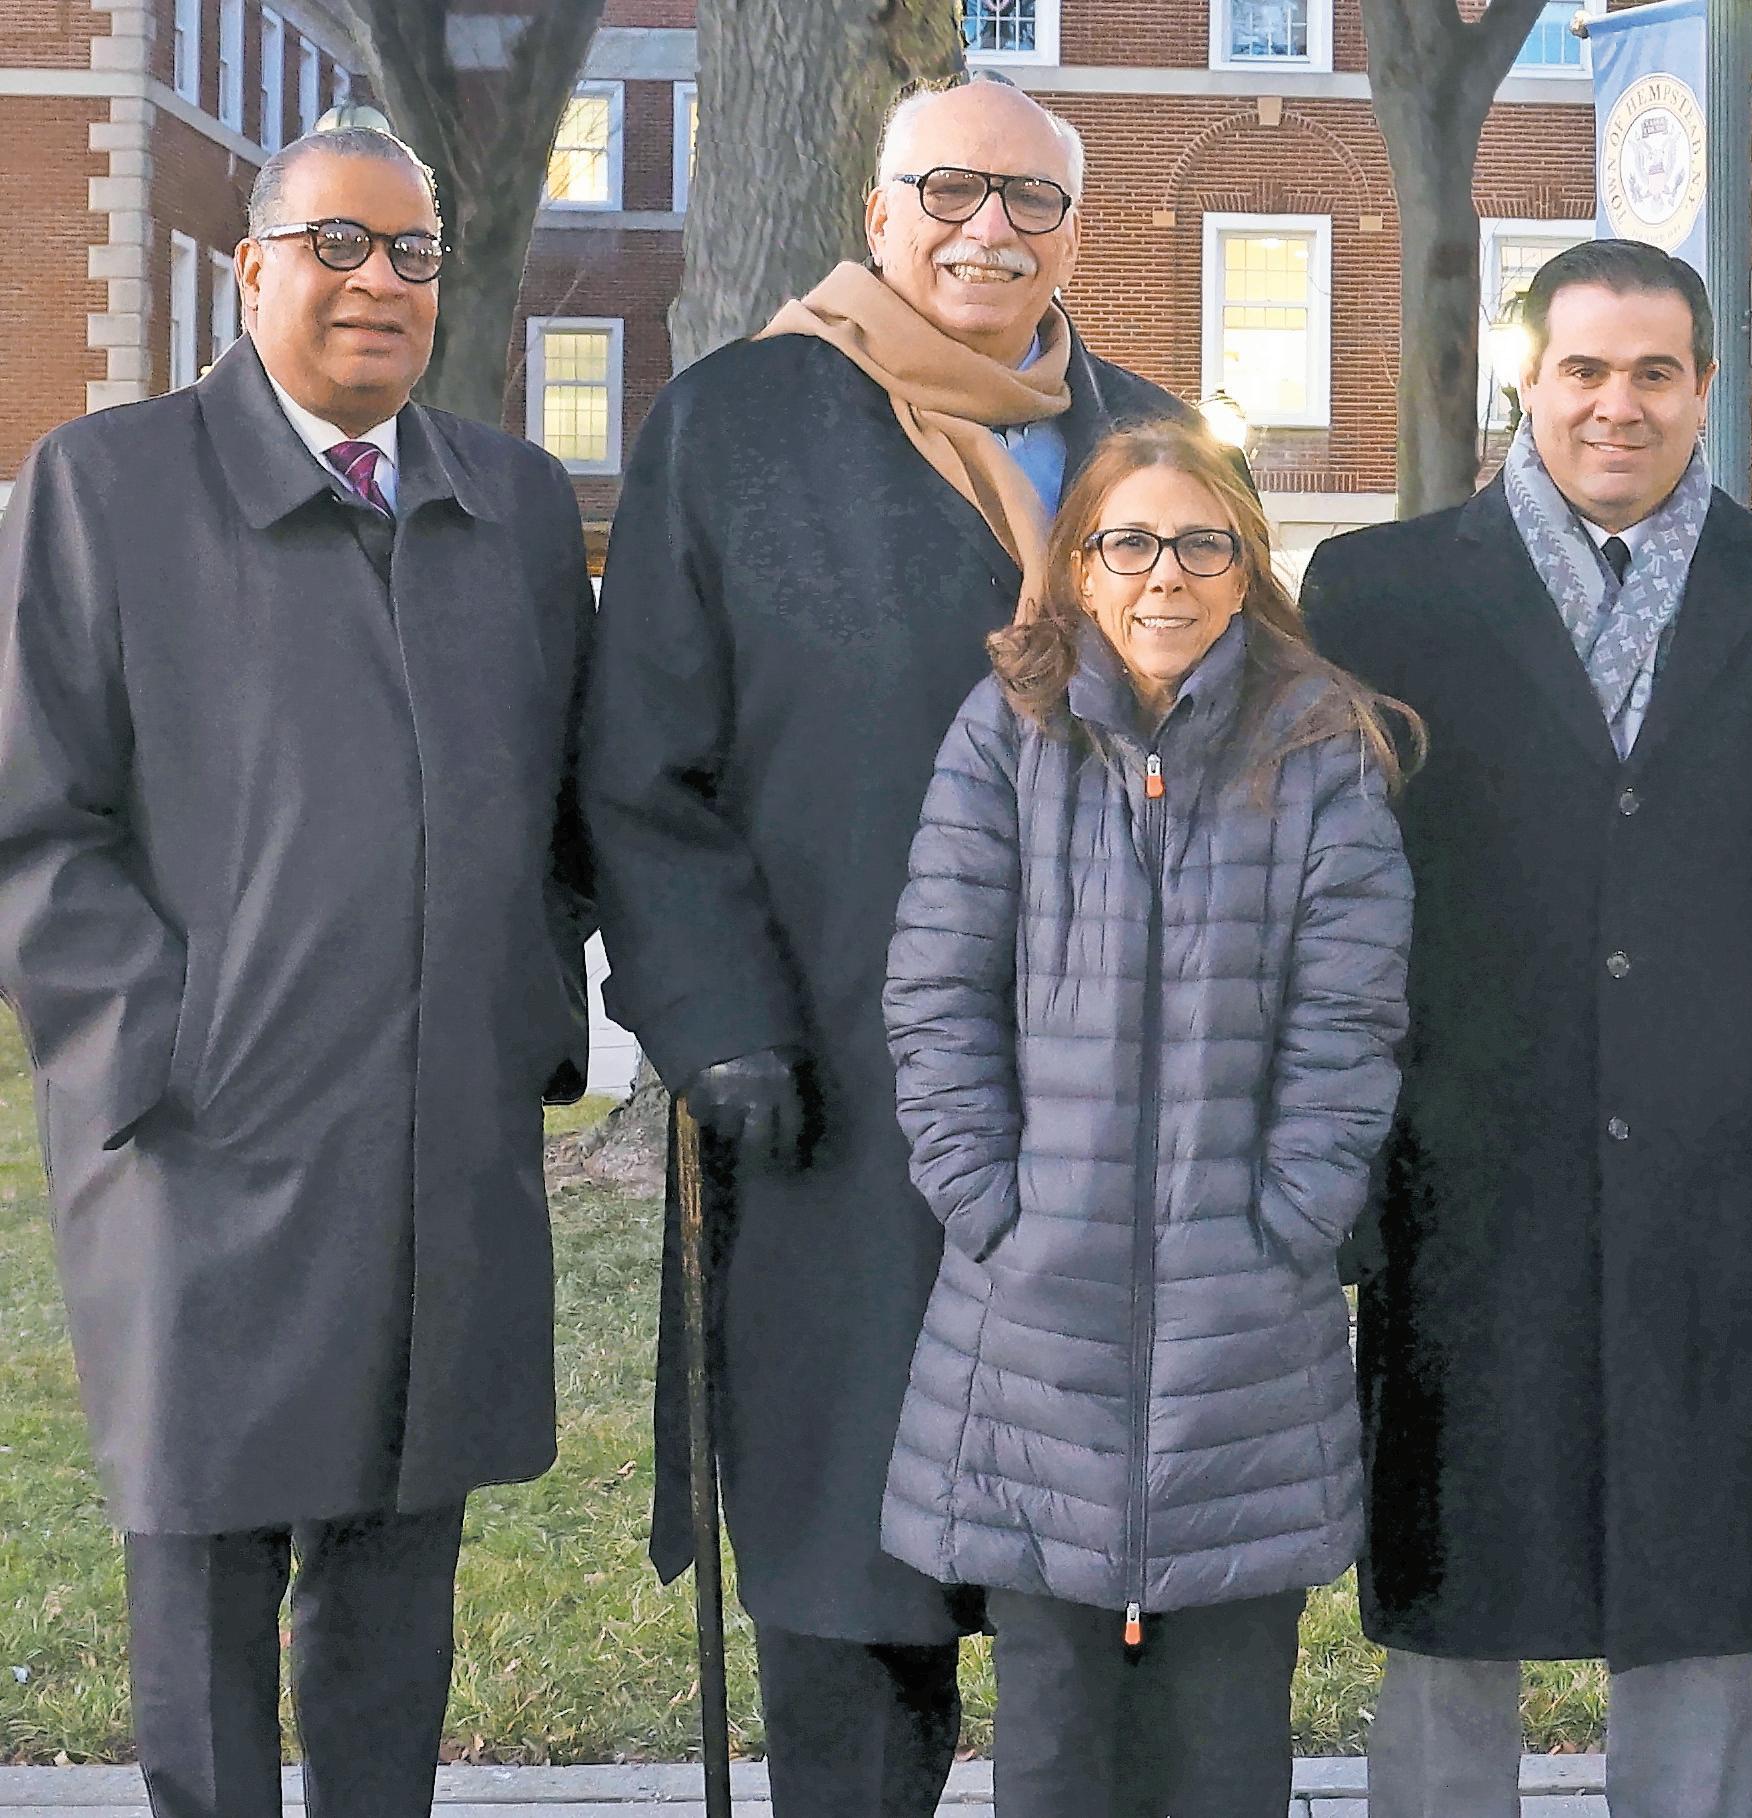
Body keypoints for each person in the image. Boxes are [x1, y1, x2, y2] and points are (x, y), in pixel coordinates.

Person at [580, 77, 1192, 1818]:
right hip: (837, 1097)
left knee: (1094, 1574)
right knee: (855, 1559)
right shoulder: (738, 421)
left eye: (1030, 199)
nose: (988, 228)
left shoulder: (1154, 440)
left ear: (1073, 231)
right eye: (948, 191)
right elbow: (643, 768)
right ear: (876, 212)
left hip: (1113, 1110)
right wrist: (713, 1014)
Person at [0, 127, 592, 1818]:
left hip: (440, 1135)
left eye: (413, 253)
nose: (377, 282)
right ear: (251, 267)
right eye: (337, 243)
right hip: (203, 1143)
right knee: (206, 1560)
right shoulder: (105, 486)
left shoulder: (513, 504)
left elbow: (571, 804)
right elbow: (34, 822)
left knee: (399, 1562)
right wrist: (165, 1043)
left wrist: (524, 1019)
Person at [1300, 238, 1752, 1818]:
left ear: (1706, 388)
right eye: (1583, 369)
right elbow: (1331, 895)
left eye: (1653, 373)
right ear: (1527, 376)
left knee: (1700, 1572)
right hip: (1462, 1163)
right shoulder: (1378, 591)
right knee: (1453, 1568)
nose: (1615, 405)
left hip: (1720, 1164)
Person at [877, 423, 1412, 1818]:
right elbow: (936, 991)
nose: (1163, 574)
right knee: (1053, 1742)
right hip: (1033, 1329)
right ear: (1079, 568)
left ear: (1244, 567)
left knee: (1226, 1747)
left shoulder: (1320, 745)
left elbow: (1350, 1023)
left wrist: (1290, 1216)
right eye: (1129, 543)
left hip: (1247, 1329)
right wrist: (992, 1206)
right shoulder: (1008, 730)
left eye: (1199, 544)